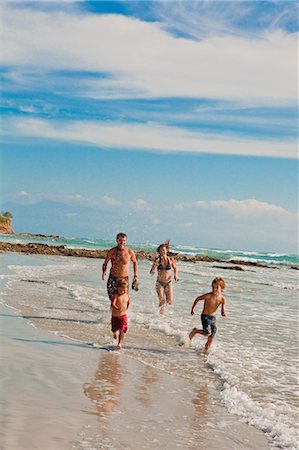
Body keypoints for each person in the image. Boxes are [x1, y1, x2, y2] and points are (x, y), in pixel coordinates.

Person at [189, 277, 227, 352]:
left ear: (222, 288)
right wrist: (192, 309)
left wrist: (223, 312)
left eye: (217, 287)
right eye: (213, 287)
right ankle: (195, 331)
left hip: (213, 318)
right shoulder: (208, 296)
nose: (214, 289)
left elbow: (223, 308)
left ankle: (206, 349)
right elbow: (198, 298)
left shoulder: (222, 299)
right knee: (207, 333)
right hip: (205, 316)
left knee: (212, 335)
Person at [102, 232, 138, 302]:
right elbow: (105, 263)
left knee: (124, 299)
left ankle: (123, 312)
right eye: (120, 240)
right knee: (113, 300)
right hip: (113, 277)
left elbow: (135, 262)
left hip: (124, 278)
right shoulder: (111, 251)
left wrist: (135, 276)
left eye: (124, 240)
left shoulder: (129, 251)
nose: (122, 242)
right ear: (117, 240)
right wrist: (104, 272)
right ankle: (114, 312)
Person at [149, 241, 178, 314]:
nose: (162, 252)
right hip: (160, 283)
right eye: (161, 250)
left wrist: (175, 275)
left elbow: (175, 268)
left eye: (163, 250)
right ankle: (161, 317)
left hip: (168, 283)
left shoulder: (170, 259)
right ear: (159, 251)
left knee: (169, 302)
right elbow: (152, 270)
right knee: (162, 301)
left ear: (166, 250)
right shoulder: (158, 260)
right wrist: (153, 270)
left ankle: (166, 317)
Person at [111, 279, 130, 349]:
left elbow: (128, 302)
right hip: (115, 316)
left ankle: (120, 343)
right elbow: (113, 304)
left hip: (123, 316)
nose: (122, 292)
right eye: (120, 290)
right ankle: (114, 333)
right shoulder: (116, 296)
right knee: (114, 329)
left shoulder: (127, 295)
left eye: (124, 290)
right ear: (117, 288)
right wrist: (116, 308)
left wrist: (126, 307)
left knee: (122, 329)